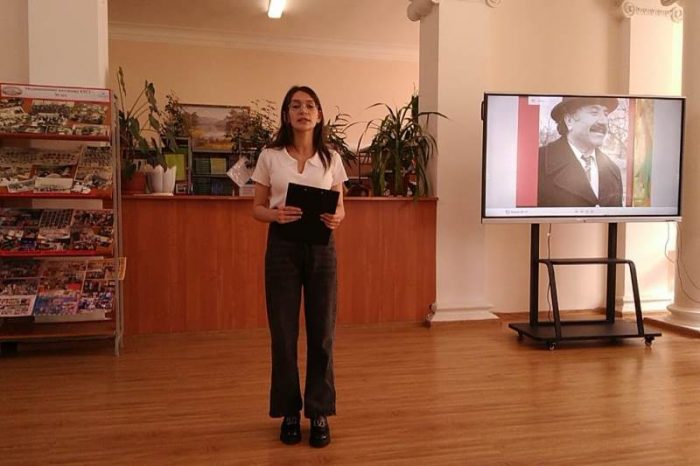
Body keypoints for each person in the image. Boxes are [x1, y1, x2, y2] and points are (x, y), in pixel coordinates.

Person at [251, 85, 348, 448]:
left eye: (309, 105)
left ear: (319, 115)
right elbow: (256, 208)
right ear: (287, 114)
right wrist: (274, 214)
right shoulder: (270, 156)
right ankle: (289, 411)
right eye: (295, 106)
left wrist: (337, 217)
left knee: (322, 332)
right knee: (283, 332)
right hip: (282, 247)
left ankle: (319, 411)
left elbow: (341, 206)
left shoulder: (331, 158)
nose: (303, 111)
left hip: (323, 248)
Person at [538, 97, 623, 207]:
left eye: (606, 114)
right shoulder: (538, 163)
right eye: (594, 112)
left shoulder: (614, 171)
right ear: (569, 120)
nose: (603, 121)